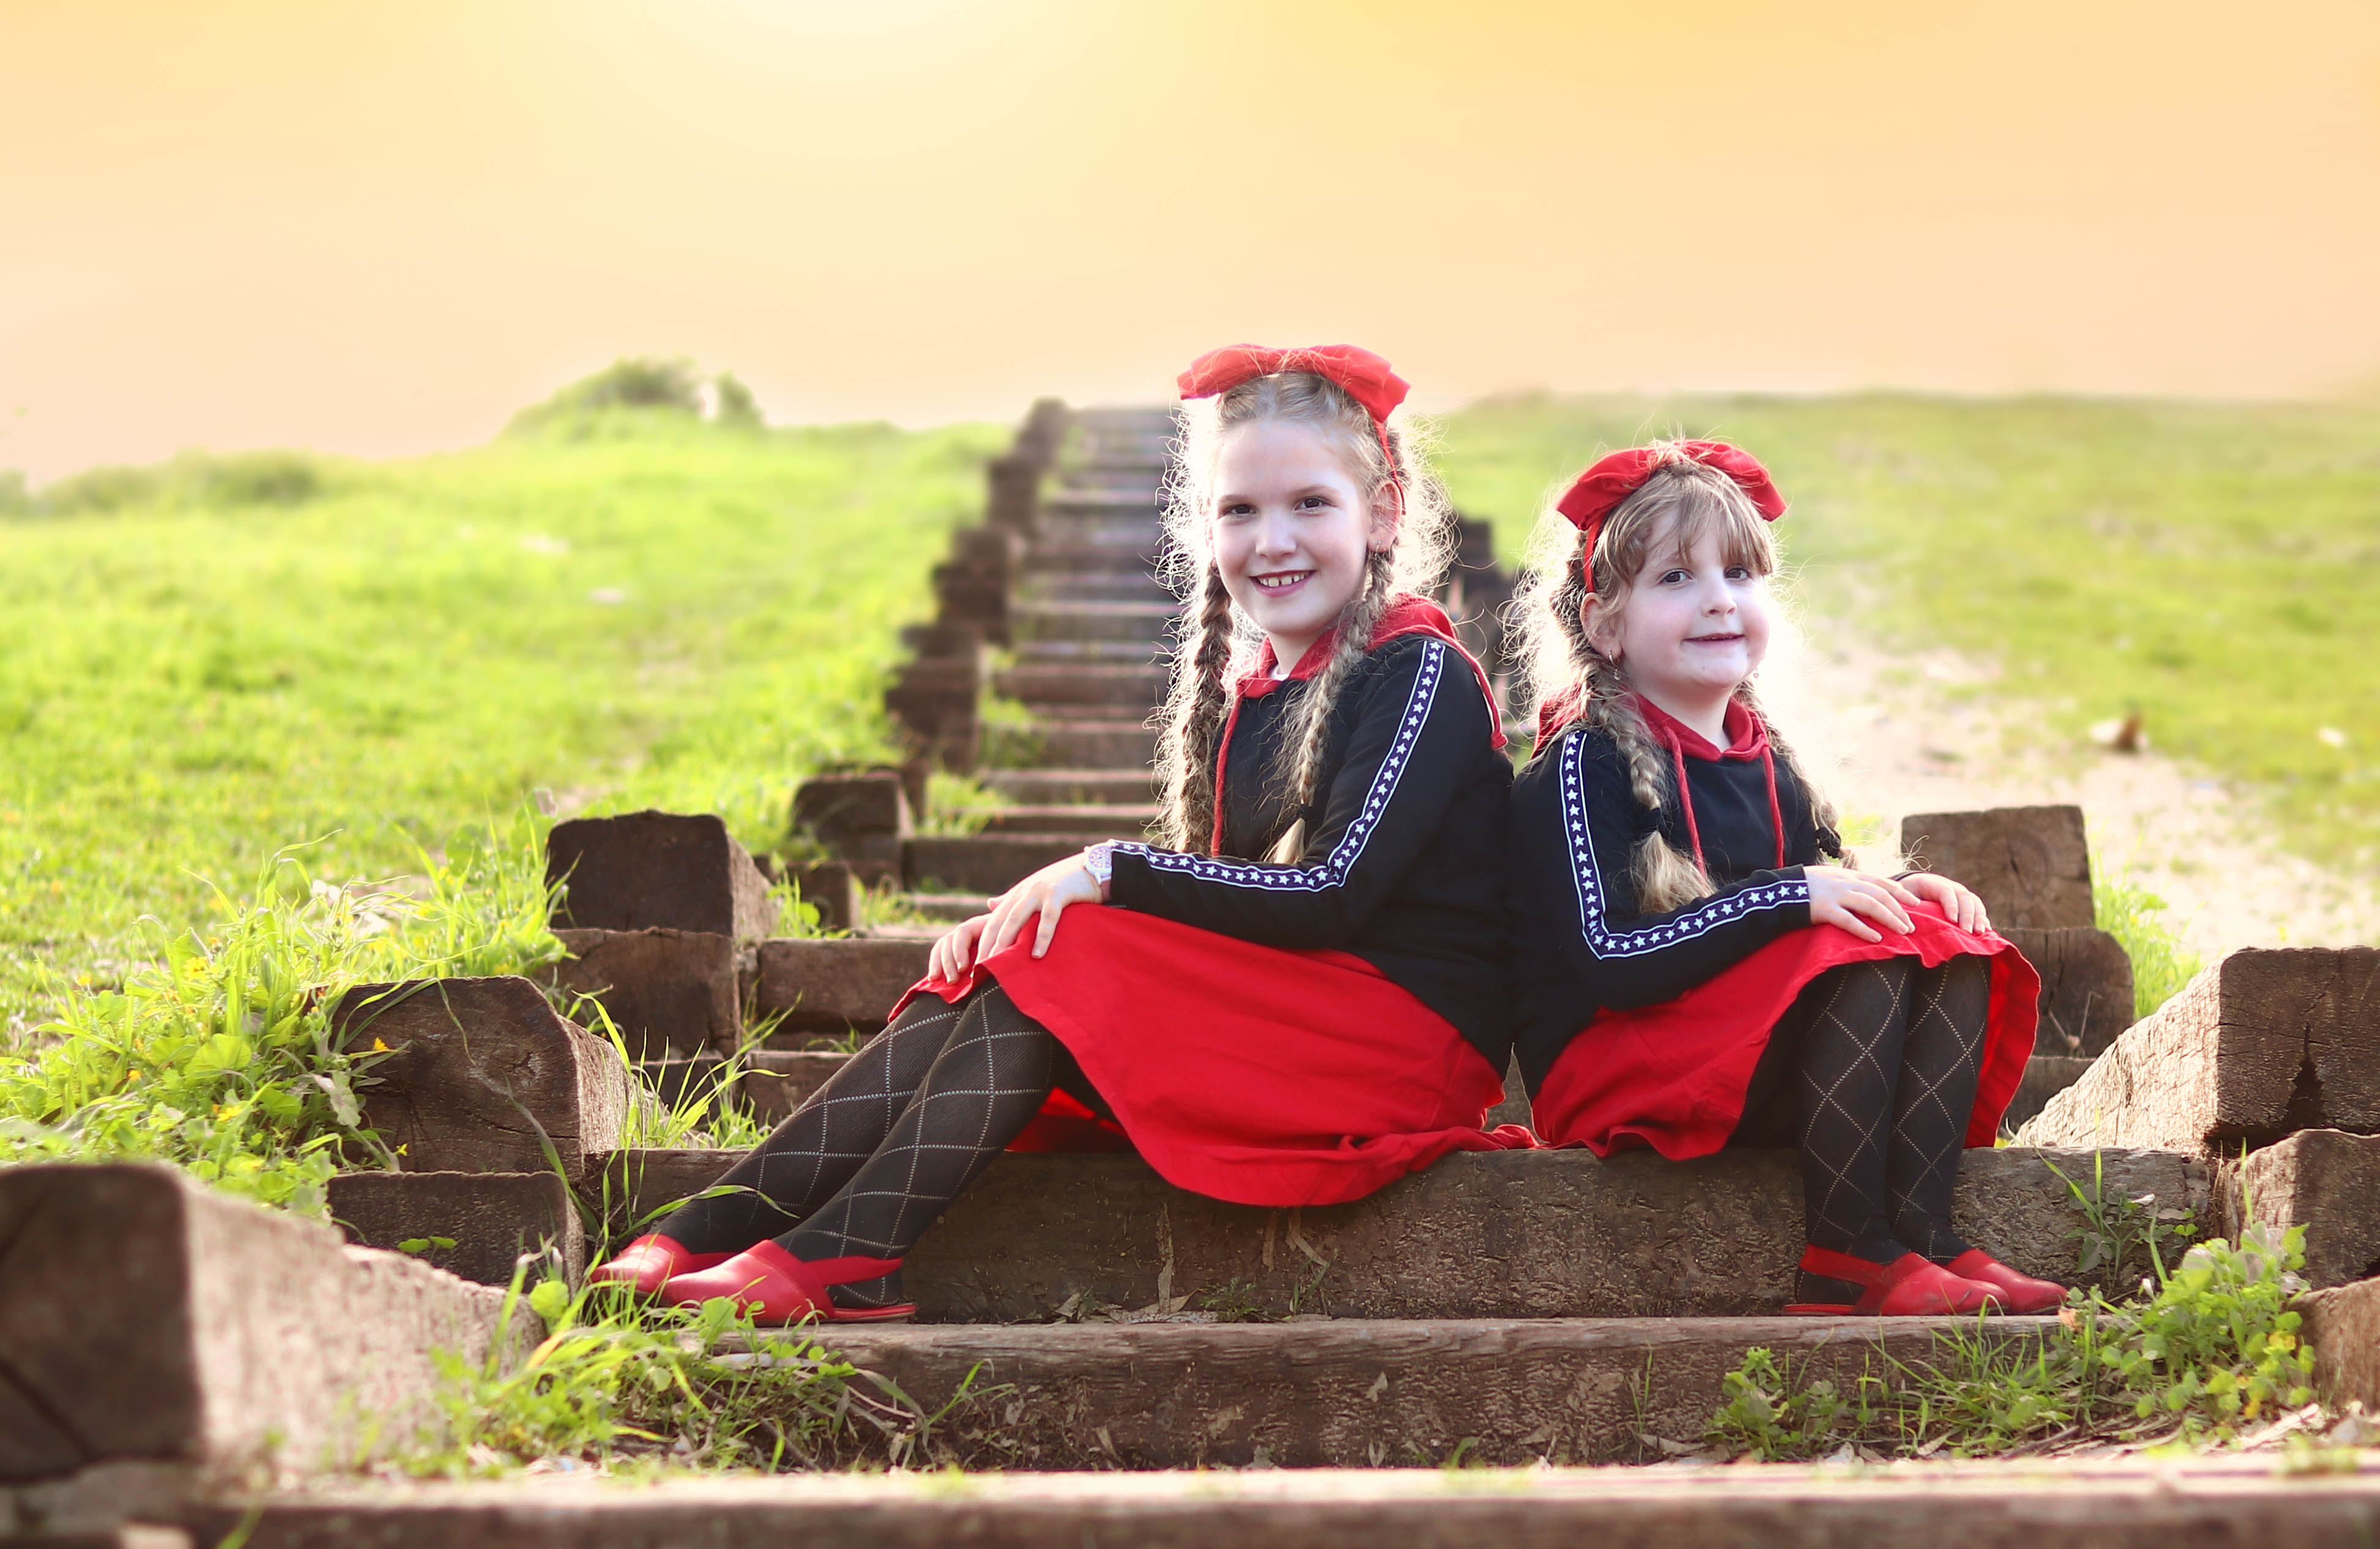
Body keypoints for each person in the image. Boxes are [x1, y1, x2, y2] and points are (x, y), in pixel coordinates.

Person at [590, 344, 1522, 1322]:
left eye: (1311, 504)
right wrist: (1022, 933)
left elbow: (1333, 893)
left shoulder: (1422, 671)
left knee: (1076, 936)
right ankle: (720, 1221)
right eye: (1241, 510)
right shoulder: (1263, 695)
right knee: (1039, 944)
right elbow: (1225, 915)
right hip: (1315, 1017)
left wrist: (1105, 869)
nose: (1272, 539)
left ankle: (840, 1251)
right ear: (1206, 527)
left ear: (1384, 513)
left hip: (1406, 1046)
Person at [1504, 440, 2060, 1316]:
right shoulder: (1581, 762)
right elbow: (1611, 957)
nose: (1719, 599)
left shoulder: (1774, 762)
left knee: (1935, 941)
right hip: (1616, 1064)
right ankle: (1847, 1249)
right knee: (1850, 948)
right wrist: (1793, 896)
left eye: (1739, 573)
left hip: (1740, 1051)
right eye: (1676, 578)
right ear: (1605, 624)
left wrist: (1898, 893)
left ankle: (1923, 1235)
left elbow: (1810, 908)